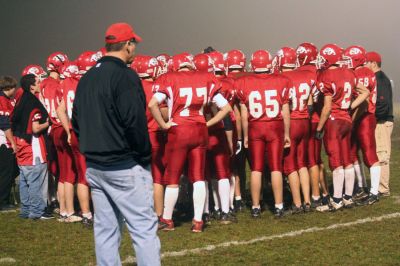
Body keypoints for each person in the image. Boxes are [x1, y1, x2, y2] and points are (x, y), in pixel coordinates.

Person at [72, 22, 160, 266]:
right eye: (134, 44)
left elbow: (76, 121)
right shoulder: (125, 75)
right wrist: (142, 156)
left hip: (95, 164)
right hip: (123, 164)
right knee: (143, 229)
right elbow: (134, 122)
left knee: (106, 231)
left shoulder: (87, 77)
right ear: (128, 45)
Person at [149, 52, 232, 233]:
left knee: (172, 178)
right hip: (200, 130)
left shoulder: (169, 78)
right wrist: (208, 123)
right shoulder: (206, 77)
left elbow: (152, 105)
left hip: (179, 130)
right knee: (198, 177)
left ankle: (167, 219)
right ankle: (198, 221)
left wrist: (163, 125)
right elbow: (226, 107)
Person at [314, 44, 369, 212]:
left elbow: (327, 107)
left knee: (336, 161)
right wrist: (350, 106)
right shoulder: (350, 73)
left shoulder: (327, 76)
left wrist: (319, 128)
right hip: (346, 119)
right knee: (347, 160)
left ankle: (336, 200)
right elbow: (365, 92)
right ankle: (347, 197)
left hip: (334, 121)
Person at [11, 74, 53, 220]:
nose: (41, 83)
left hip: (21, 144)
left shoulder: (20, 100)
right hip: (32, 146)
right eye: (38, 82)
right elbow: (35, 128)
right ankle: (37, 212)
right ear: (32, 86)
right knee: (36, 180)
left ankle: (25, 210)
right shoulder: (32, 103)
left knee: (24, 180)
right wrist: (48, 123)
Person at [365, 51, 394, 197]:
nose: (365, 65)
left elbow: (382, 105)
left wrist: (372, 118)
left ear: (373, 63)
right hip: (380, 121)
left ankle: (383, 188)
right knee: (378, 153)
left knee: (382, 155)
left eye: (367, 62)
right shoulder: (377, 78)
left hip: (382, 122)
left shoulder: (380, 79)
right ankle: (380, 186)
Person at [0, 76, 19, 210]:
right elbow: (5, 124)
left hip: (5, 138)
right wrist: (12, 142)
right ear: (9, 88)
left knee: (10, 170)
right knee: (7, 171)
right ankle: (3, 202)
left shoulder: (7, 99)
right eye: (13, 87)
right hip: (3, 139)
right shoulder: (2, 100)